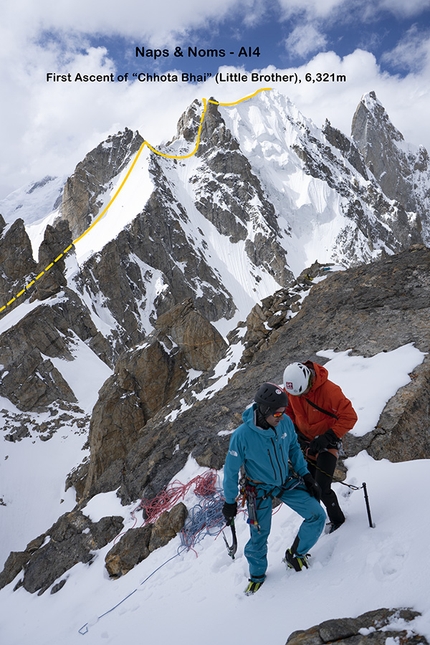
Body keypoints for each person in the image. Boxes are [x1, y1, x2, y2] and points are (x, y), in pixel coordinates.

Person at [222, 382, 326, 595]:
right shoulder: (241, 436)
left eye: (283, 412)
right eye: (277, 413)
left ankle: (296, 554)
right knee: (260, 536)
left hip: (286, 480)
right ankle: (257, 576)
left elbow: (294, 448)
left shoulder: (284, 423)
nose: (282, 417)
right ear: (264, 411)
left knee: (317, 515)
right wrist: (229, 502)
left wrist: (306, 475)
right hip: (258, 490)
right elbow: (231, 472)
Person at [282, 361, 358, 533]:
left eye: (305, 392)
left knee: (322, 487)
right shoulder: (293, 390)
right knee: (310, 486)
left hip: (327, 444)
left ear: (309, 381)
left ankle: (338, 521)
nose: (302, 396)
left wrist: (328, 437)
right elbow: (288, 413)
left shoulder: (330, 391)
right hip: (307, 444)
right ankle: (315, 520)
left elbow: (350, 416)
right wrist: (295, 433)